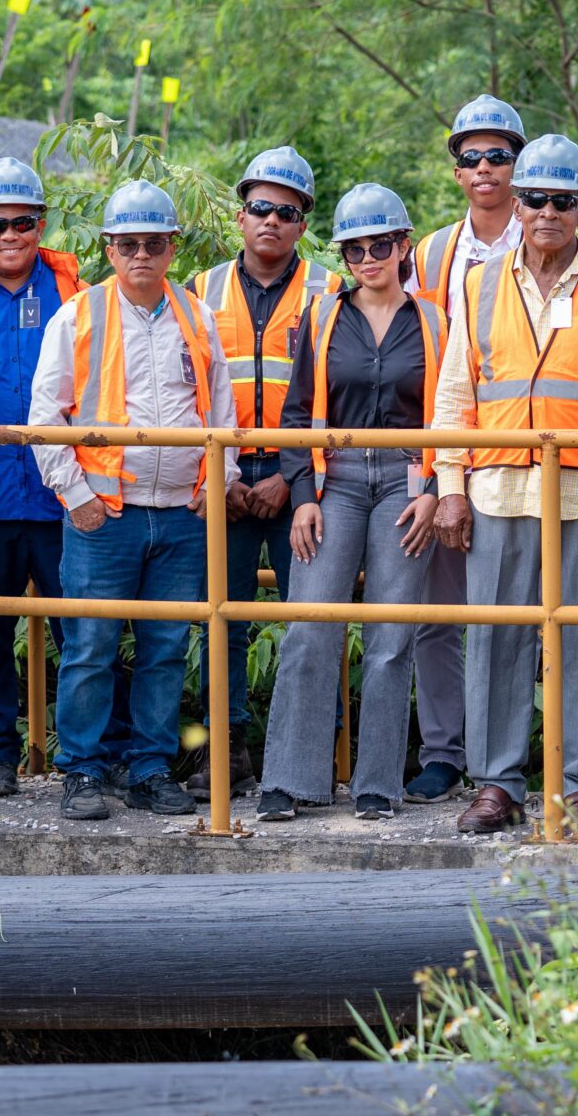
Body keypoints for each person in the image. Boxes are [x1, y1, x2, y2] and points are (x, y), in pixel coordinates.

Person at [430, 134, 578, 837]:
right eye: (535, 199)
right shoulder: (477, 284)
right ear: (518, 205)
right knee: (495, 640)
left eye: (563, 200)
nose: (547, 211)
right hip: (497, 488)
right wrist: (450, 484)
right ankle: (497, 783)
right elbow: (456, 390)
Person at [31, 180, 235, 822]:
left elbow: (222, 412)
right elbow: (44, 412)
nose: (140, 255)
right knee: (89, 645)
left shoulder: (196, 317)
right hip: (104, 515)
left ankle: (150, 768)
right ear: (109, 250)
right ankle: (84, 772)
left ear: (171, 248)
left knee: (166, 647)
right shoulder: (80, 315)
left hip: (181, 514)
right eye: (128, 244)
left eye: (152, 243)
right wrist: (75, 493)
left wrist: (214, 486)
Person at [0, 158, 132, 797]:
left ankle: (96, 757)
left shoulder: (78, 293)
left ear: (41, 224)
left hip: (66, 497)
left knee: (86, 631)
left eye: (22, 221)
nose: (9, 234)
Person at [258, 184, 447, 821]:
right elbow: (296, 412)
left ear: (403, 247)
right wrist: (304, 495)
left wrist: (433, 490)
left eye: (382, 245)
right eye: (356, 248)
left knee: (392, 637)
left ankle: (378, 786)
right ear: (343, 255)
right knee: (311, 626)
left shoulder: (434, 323)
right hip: (333, 479)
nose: (370, 258)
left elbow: (452, 416)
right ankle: (289, 780)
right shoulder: (320, 316)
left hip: (405, 481)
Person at [185, 146, 337, 794]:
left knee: (313, 618)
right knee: (222, 618)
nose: (270, 220)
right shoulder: (201, 289)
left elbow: (345, 396)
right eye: (259, 207)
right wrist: (216, 477)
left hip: (301, 481)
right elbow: (184, 391)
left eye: (286, 210)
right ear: (240, 214)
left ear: (303, 222)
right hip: (224, 477)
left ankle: (303, 759)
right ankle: (227, 752)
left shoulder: (332, 291)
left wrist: (298, 477)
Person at [403, 93, 530, 802]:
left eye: (498, 155)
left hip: (524, 461)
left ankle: (507, 761)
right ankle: (447, 751)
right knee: (438, 613)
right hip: (451, 456)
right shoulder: (432, 253)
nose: (484, 168)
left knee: (525, 616)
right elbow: (421, 360)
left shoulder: (547, 235)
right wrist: (432, 471)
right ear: (455, 170)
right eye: (470, 156)